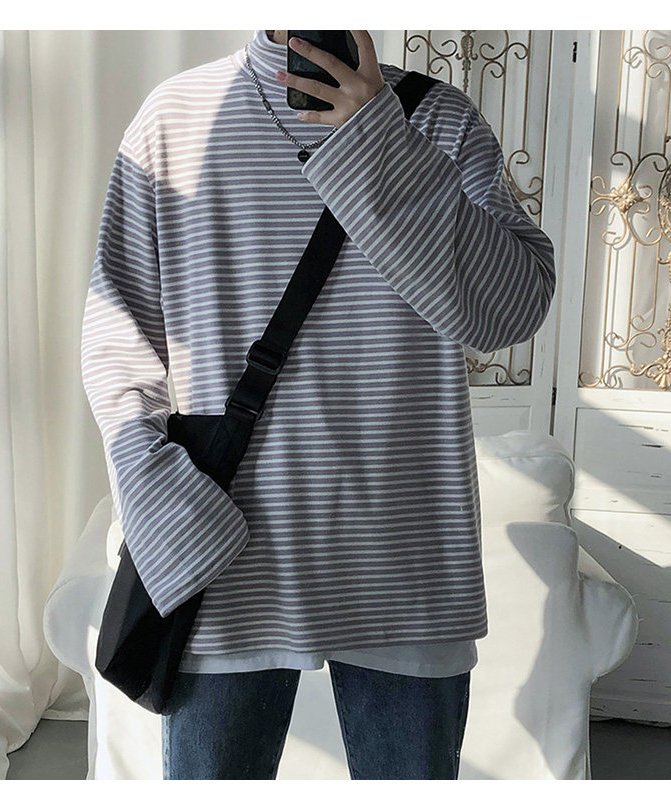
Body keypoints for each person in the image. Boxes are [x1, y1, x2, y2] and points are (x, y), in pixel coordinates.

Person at [80, 29, 556, 779]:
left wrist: (379, 141)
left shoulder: (438, 117)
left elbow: (510, 311)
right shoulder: (174, 117)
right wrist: (154, 493)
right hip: (225, 553)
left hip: (406, 557)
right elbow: (117, 338)